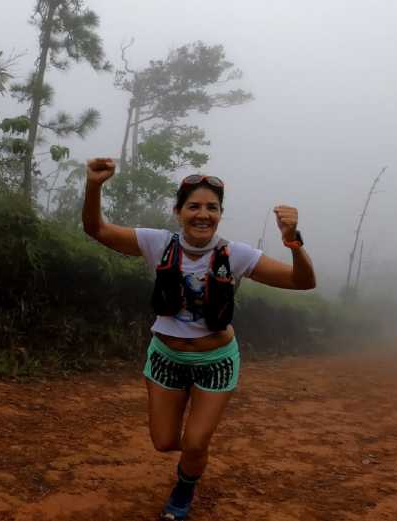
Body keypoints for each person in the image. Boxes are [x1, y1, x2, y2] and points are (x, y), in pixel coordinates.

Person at [81, 158, 316, 520]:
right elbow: (96, 229)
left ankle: (184, 488)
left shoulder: (236, 255)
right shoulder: (157, 243)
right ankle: (192, 455)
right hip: (166, 359)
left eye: (211, 207)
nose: (202, 214)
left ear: (220, 214)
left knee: (195, 443)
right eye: (193, 206)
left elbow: (302, 282)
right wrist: (95, 185)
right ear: (178, 212)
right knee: (163, 442)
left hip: (215, 361)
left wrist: (293, 242)